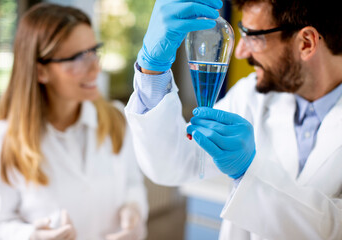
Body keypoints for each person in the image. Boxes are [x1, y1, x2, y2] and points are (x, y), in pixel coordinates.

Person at [124, 0, 342, 239]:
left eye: (253, 36)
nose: (240, 52)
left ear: (306, 43)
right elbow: (173, 164)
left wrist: (248, 172)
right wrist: (152, 71)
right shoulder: (251, 96)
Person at [0, 3, 148, 240]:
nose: (95, 68)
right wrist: (33, 236)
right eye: (79, 58)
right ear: (41, 71)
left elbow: (133, 184)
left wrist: (134, 211)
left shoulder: (116, 118)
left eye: (94, 51)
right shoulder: (1, 140)